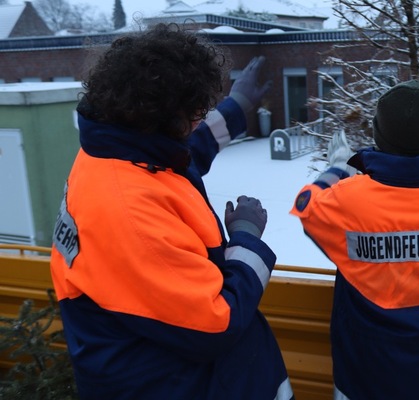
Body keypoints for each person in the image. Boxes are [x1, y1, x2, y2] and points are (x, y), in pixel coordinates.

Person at [49, 23, 293, 400]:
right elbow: (215, 322)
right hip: (177, 386)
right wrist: (246, 241)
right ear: (165, 119)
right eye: (197, 111)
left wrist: (236, 110)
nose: (199, 119)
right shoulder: (130, 213)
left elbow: (182, 155)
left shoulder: (113, 153)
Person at [290, 80, 419, 400]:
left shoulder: (347, 200)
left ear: (378, 134)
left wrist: (338, 167)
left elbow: (307, 206)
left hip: (365, 376)